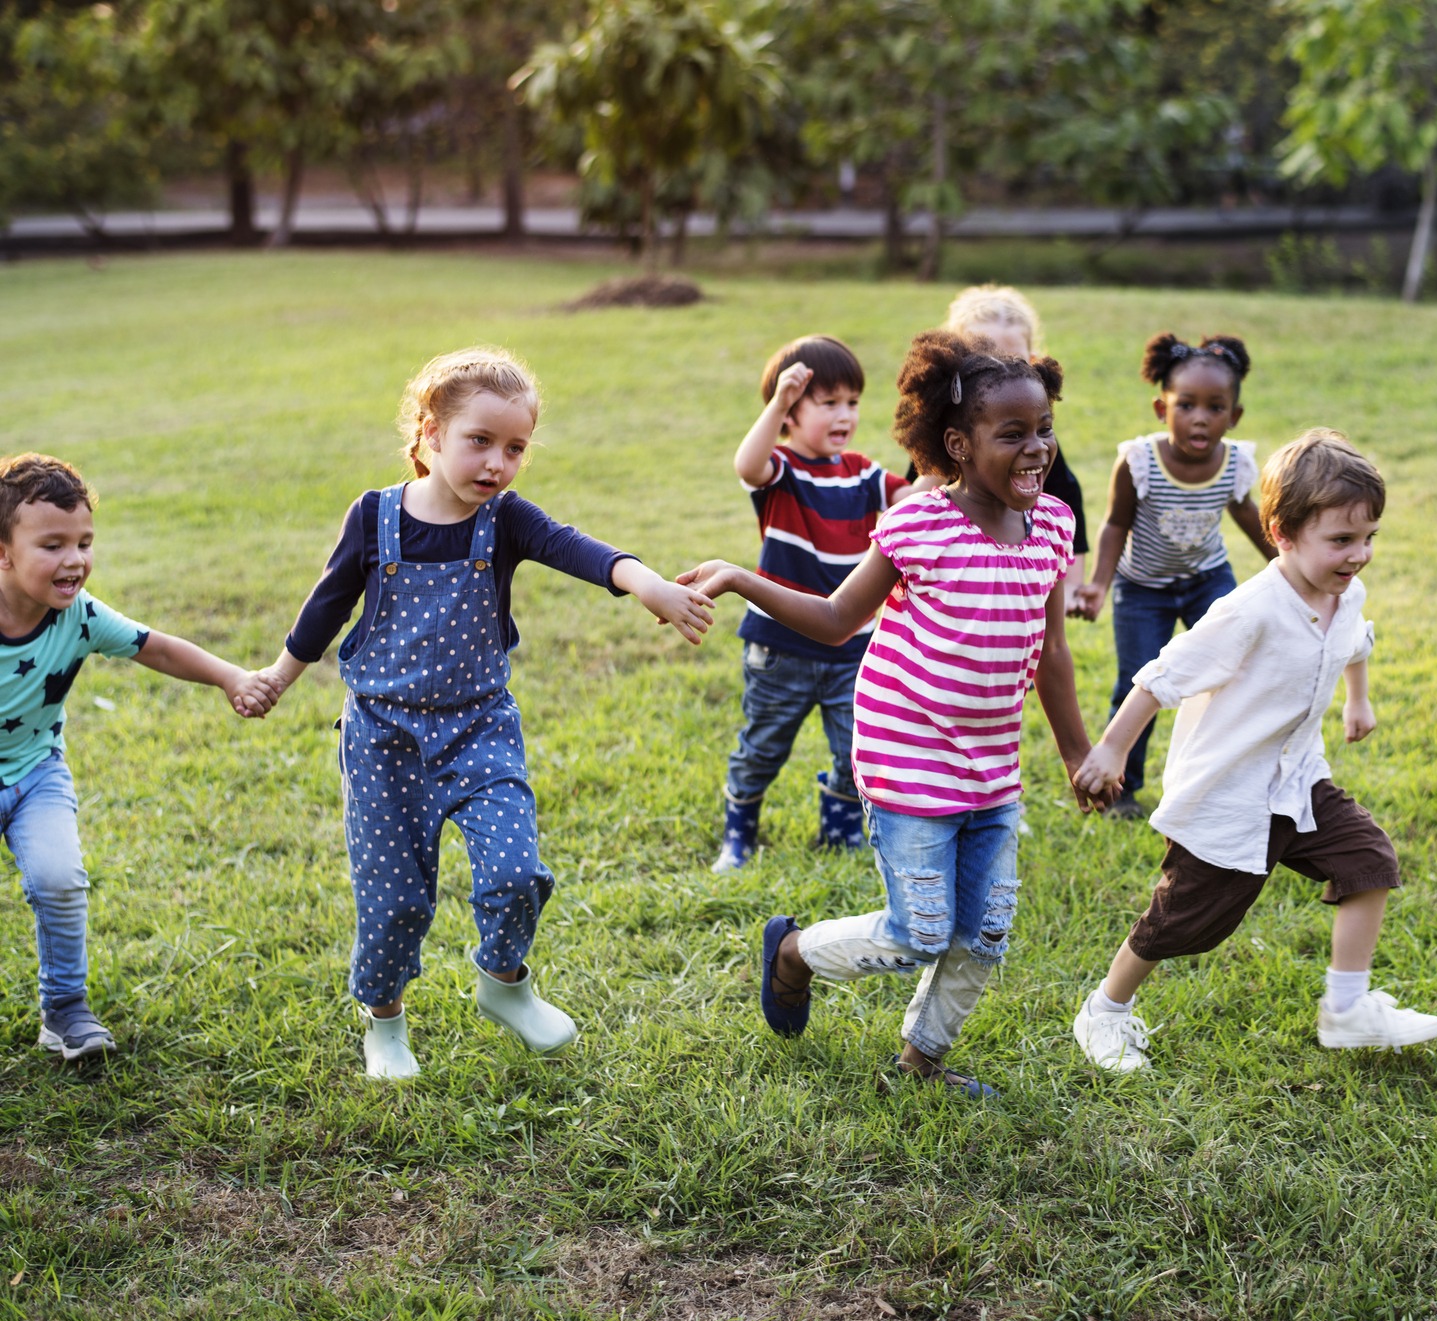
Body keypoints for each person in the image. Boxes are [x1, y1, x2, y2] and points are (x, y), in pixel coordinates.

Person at [251, 348, 715, 1080]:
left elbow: (579, 549)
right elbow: (328, 603)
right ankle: (385, 1022)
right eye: (480, 441)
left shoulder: (506, 521)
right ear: (431, 433)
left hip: (479, 729)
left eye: (516, 448)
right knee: (395, 899)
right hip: (385, 740)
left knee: (515, 871)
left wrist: (650, 584)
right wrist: (279, 676)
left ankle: (505, 982)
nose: (498, 463)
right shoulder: (374, 518)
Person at [683, 331, 1103, 1097]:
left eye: (1045, 428)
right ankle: (793, 953)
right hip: (907, 758)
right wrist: (743, 578)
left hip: (991, 770)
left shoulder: (1052, 528)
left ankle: (921, 1064)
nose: (1037, 448)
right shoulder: (919, 525)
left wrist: (1078, 755)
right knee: (920, 933)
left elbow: (1050, 650)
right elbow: (841, 618)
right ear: (957, 444)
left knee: (987, 934)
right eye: (1012, 433)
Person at [1068, 429, 1437, 1073]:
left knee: (1367, 860)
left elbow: (1355, 640)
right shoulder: (1249, 612)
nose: (1358, 556)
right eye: (1341, 540)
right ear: (1282, 533)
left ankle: (1347, 1011)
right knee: (1185, 919)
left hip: (1298, 779)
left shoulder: (1343, 591)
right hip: (1231, 792)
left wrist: (1358, 701)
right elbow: (1162, 676)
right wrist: (1110, 752)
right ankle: (1104, 1010)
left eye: (1368, 538)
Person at [0, 454, 274, 1060]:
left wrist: (231, 676)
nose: (74, 560)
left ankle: (66, 1011)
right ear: (4, 552)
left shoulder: (79, 614)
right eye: (52, 544)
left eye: (84, 542)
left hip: (36, 773)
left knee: (60, 880)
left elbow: (158, 649)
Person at [714, 335, 913, 873]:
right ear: (790, 415)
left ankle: (840, 829)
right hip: (780, 648)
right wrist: (777, 401)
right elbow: (747, 465)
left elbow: (915, 500)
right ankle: (740, 833)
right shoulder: (781, 469)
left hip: (854, 646)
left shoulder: (865, 474)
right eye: (827, 403)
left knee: (858, 750)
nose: (843, 414)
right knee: (762, 748)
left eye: (852, 402)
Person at [1070, 332, 1277, 819]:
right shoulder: (1139, 461)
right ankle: (1122, 787)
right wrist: (1099, 582)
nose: (1200, 417)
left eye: (1215, 406)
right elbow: (1115, 523)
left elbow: (1250, 519)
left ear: (1235, 415)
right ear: (1162, 410)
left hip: (1208, 580)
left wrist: (1292, 567)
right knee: (1137, 684)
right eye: (1186, 405)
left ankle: (1223, 779)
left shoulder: (1233, 464)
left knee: (1232, 673)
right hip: (1142, 590)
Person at [933, 286, 1089, 610]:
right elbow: (910, 504)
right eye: (982, 361)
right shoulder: (944, 439)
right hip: (958, 586)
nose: (999, 373)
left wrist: (1073, 586)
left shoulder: (1033, 447)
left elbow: (1068, 505)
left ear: (1033, 363)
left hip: (1021, 588)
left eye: (1013, 361)